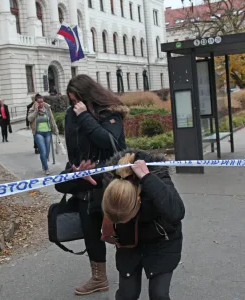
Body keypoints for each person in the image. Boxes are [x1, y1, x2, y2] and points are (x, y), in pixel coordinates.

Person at [55, 74, 129, 296]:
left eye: (78, 99)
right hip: (84, 185)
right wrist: (74, 168)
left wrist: (86, 117)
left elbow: (110, 142)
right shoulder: (71, 115)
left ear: (89, 96)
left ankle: (130, 274)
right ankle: (99, 278)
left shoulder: (109, 112)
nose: (75, 105)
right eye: (71, 101)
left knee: (120, 232)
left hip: (111, 184)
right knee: (90, 232)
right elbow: (73, 148)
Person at [99, 151, 185, 300]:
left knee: (159, 294)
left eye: (125, 218)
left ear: (137, 201)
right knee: (127, 295)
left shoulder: (157, 175)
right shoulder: (111, 176)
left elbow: (177, 212)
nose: (121, 223)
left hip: (162, 240)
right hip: (129, 242)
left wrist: (147, 178)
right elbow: (63, 186)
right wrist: (76, 176)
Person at [27, 94, 58, 175]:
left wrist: (55, 129)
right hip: (38, 133)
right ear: (36, 102)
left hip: (48, 132)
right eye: (39, 102)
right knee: (43, 151)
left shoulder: (47, 108)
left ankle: (43, 163)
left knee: (47, 152)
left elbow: (52, 119)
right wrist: (36, 110)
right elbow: (29, 119)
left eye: (42, 101)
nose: (41, 103)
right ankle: (46, 168)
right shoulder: (32, 109)